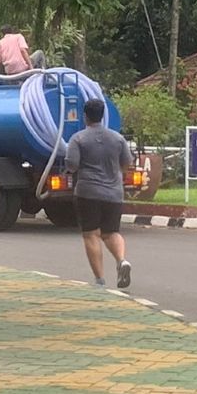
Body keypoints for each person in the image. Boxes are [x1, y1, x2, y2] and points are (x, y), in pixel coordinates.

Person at [65, 99, 133, 289]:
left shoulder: (78, 139)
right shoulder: (117, 138)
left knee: (91, 235)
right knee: (111, 232)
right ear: (102, 115)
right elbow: (127, 163)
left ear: (85, 116)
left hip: (88, 192)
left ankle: (100, 280)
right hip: (114, 193)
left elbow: (72, 165)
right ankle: (121, 260)